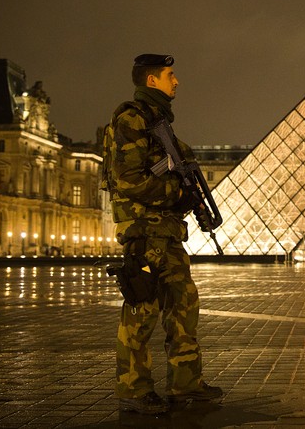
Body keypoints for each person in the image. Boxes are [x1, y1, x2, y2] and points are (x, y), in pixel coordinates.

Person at [102, 53, 223, 414]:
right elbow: (128, 179)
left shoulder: (159, 123)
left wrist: (190, 200)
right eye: (171, 75)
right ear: (151, 80)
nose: (177, 81)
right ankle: (134, 390)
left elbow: (172, 172)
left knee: (184, 308)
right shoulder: (131, 119)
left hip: (167, 232)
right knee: (142, 312)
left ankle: (186, 382)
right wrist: (177, 193)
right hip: (144, 231)